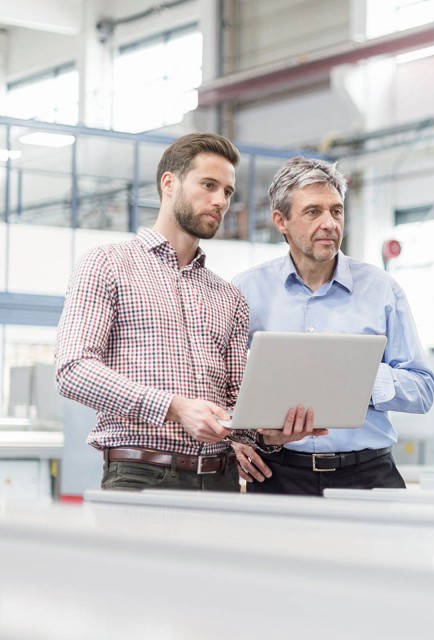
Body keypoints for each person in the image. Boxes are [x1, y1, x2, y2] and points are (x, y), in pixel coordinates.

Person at [55, 134, 326, 492]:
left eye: (228, 192)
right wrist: (173, 407)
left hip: (220, 479)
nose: (220, 201)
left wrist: (270, 433)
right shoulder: (107, 264)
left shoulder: (228, 295)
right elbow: (72, 369)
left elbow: (236, 404)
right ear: (170, 183)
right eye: (209, 185)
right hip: (140, 475)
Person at [231, 156, 434, 496]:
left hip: (369, 476)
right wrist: (235, 441)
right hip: (280, 477)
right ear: (281, 220)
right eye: (313, 212)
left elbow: (424, 389)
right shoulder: (247, 291)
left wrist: (359, 377)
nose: (329, 223)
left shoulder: (382, 289)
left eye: (336, 211)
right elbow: (224, 386)